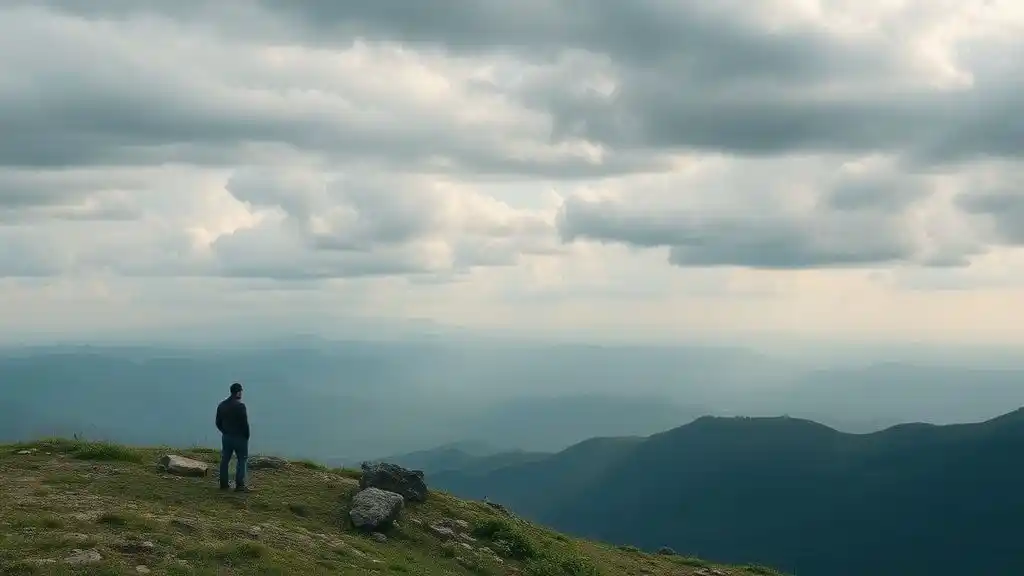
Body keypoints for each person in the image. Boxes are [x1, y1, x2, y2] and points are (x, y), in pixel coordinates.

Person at [215, 382, 251, 492]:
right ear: (239, 392)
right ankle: (239, 485)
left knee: (225, 460)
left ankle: (223, 484)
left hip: (227, 437)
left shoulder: (222, 405)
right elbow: (245, 424)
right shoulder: (240, 406)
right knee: (241, 460)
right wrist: (246, 436)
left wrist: (224, 432)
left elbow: (218, 423)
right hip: (240, 438)